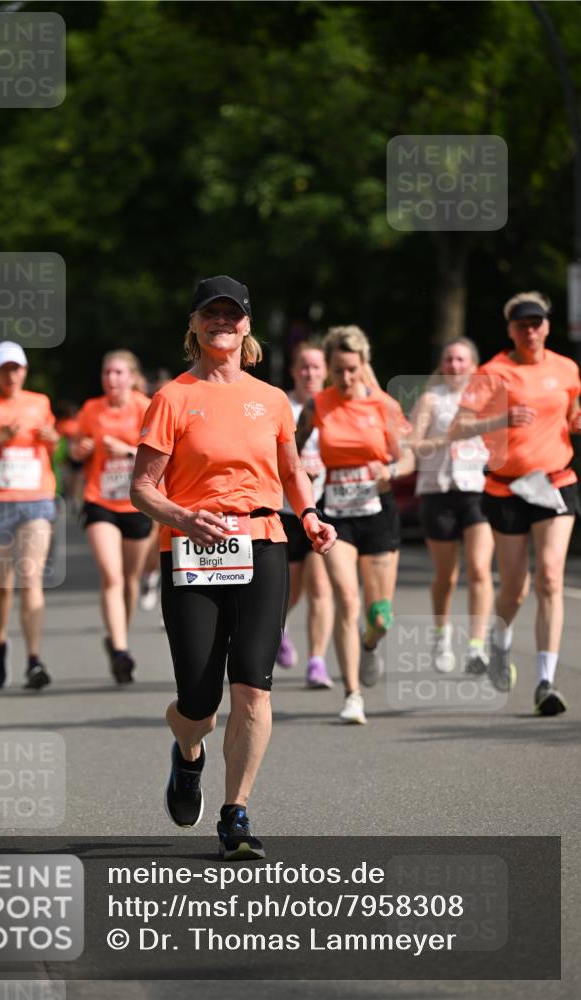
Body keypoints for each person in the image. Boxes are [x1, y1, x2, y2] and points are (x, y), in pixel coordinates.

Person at [131, 275, 336, 860]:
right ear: (195, 325)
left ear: (247, 325)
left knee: (252, 687)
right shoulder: (172, 398)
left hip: (263, 541)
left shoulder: (270, 399)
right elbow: (142, 489)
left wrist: (311, 514)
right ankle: (188, 755)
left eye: (233, 314)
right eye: (211, 313)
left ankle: (235, 812)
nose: (223, 321)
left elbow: (292, 471)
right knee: (198, 702)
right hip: (191, 548)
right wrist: (185, 517)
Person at [451, 292, 581, 716]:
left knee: (549, 577)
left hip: (555, 482)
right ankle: (500, 640)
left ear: (547, 325)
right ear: (510, 329)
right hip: (507, 488)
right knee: (515, 587)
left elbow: (572, 415)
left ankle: (546, 680)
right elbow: (459, 427)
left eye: (537, 322)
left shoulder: (566, 369)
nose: (531, 330)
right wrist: (500, 419)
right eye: (522, 323)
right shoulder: (493, 373)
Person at [296, 326, 414, 724]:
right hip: (336, 515)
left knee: (380, 616)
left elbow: (408, 458)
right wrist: (303, 472)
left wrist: (391, 468)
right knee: (346, 598)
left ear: (364, 365)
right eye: (339, 370)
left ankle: (370, 644)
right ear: (329, 368)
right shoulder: (319, 405)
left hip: (378, 513)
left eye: (353, 369)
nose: (346, 378)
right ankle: (352, 694)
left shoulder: (384, 405)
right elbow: (290, 451)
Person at [0, 341, 59, 690]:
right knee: (1, 586)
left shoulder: (40, 403)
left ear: (25, 370)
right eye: (4, 369)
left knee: (30, 578)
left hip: (35, 501)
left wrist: (52, 438)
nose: (11, 374)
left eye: (16, 367)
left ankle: (34, 660)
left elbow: (51, 445)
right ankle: (0, 644)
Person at [408, 339, 493, 674]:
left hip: (476, 491)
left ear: (473, 365)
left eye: (461, 359)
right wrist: (447, 440)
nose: (455, 365)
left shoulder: (485, 400)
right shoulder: (431, 399)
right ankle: (442, 635)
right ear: (443, 365)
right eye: (449, 359)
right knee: (447, 574)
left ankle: (476, 645)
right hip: (437, 491)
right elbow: (413, 446)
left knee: (480, 569)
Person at [71, 351, 152, 683]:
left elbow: (164, 453)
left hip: (138, 503)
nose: (111, 379)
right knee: (112, 575)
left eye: (118, 373)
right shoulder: (91, 409)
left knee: (131, 580)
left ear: (132, 377)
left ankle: (120, 635)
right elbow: (76, 449)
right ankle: (120, 650)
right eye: (107, 373)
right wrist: (81, 451)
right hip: (99, 499)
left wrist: (130, 451)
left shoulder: (146, 407)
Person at [276, 341, 334, 689]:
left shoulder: (336, 406)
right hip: (285, 510)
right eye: (304, 366)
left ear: (325, 371)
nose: (310, 373)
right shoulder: (280, 404)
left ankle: (317, 662)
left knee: (321, 587)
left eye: (316, 367)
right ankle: (277, 628)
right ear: (294, 371)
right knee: (290, 590)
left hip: (325, 506)